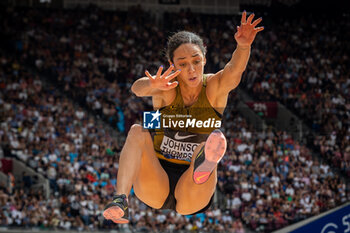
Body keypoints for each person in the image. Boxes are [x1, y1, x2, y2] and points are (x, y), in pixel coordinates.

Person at [103, 11, 263, 223]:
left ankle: (203, 167)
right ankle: (120, 200)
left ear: (205, 59)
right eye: (183, 64)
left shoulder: (213, 88)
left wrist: (243, 47)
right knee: (137, 130)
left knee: (206, 146)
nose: (191, 69)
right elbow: (137, 88)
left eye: (196, 61)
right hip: (156, 180)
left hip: (193, 190)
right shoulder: (167, 88)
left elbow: (234, 72)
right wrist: (151, 84)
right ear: (172, 63)